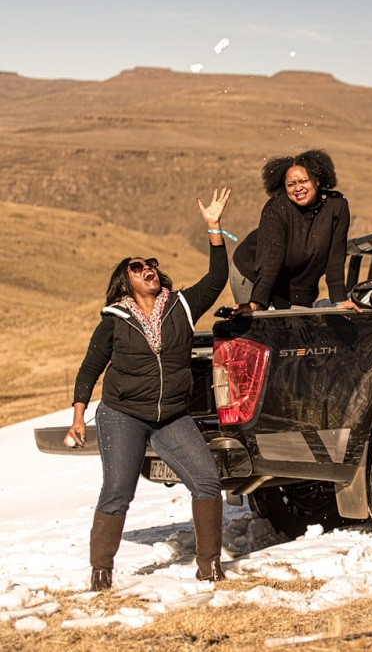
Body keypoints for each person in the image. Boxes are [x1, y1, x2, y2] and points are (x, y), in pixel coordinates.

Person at [67, 188, 233, 591]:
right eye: (138, 267)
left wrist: (214, 228)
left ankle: (210, 567)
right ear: (125, 281)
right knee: (118, 492)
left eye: (152, 264)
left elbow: (216, 279)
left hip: (171, 416)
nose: (149, 269)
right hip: (122, 414)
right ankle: (101, 572)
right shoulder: (114, 320)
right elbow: (90, 368)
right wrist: (78, 417)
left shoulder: (182, 306)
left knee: (207, 480)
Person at [231, 149, 358, 311]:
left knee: (297, 325)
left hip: (294, 283)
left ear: (317, 180)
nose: (298, 188)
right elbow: (271, 258)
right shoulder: (277, 208)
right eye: (291, 184)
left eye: (303, 181)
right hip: (254, 275)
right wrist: (256, 303)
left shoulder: (336, 206)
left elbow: (336, 256)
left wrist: (340, 299)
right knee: (260, 324)